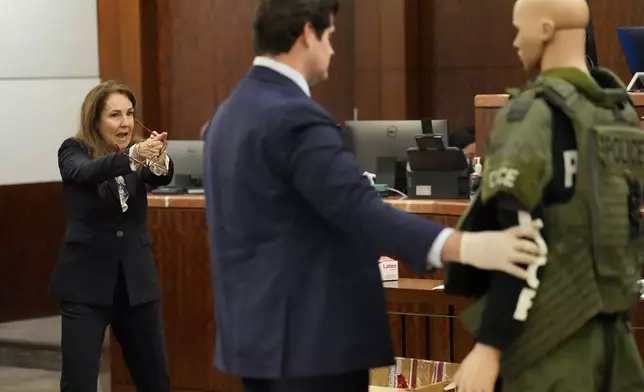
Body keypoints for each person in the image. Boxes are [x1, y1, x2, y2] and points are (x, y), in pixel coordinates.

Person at [203, 1, 545, 391]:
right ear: (307, 34)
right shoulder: (293, 116)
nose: (332, 49)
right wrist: (466, 246)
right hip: (312, 346)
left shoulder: (226, 116)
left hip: (257, 342)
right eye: (330, 36)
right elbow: (360, 209)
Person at [444, 0, 644, 391]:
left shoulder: (530, 115)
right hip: (617, 345)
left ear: (547, 29)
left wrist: (488, 348)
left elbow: (518, 243)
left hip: (548, 347)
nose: (516, 40)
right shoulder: (619, 112)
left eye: (521, 28)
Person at [48, 80, 174, 392]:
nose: (126, 122)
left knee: (155, 379)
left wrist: (159, 160)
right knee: (79, 382)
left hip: (136, 283)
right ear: (96, 120)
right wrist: (133, 155)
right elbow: (86, 172)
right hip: (86, 286)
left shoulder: (137, 151)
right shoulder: (73, 150)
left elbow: (160, 175)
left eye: (130, 113)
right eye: (115, 115)